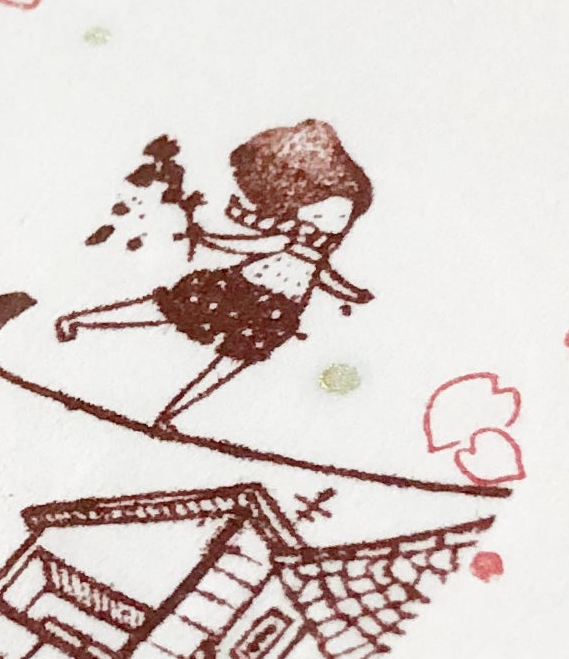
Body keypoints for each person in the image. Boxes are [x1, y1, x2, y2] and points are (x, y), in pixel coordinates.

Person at [55, 116, 375, 426]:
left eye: (345, 214)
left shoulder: (315, 251)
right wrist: (209, 239)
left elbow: (323, 276)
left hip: (276, 310)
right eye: (330, 208)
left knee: (233, 359)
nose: (337, 219)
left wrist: (353, 293)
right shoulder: (285, 238)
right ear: (305, 203)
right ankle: (79, 320)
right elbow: (251, 246)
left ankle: (170, 414)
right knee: (166, 312)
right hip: (240, 289)